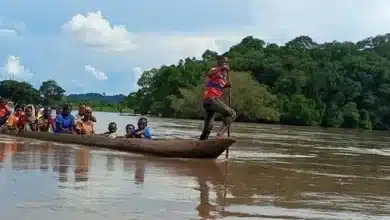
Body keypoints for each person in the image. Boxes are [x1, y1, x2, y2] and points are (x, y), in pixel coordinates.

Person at [199, 56, 237, 140]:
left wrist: (227, 85)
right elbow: (209, 74)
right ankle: (220, 135)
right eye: (224, 62)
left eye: (227, 62)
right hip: (211, 99)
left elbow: (217, 85)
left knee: (208, 127)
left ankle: (201, 142)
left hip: (209, 101)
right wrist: (221, 68)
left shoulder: (223, 78)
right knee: (232, 114)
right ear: (219, 63)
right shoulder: (214, 70)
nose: (225, 63)